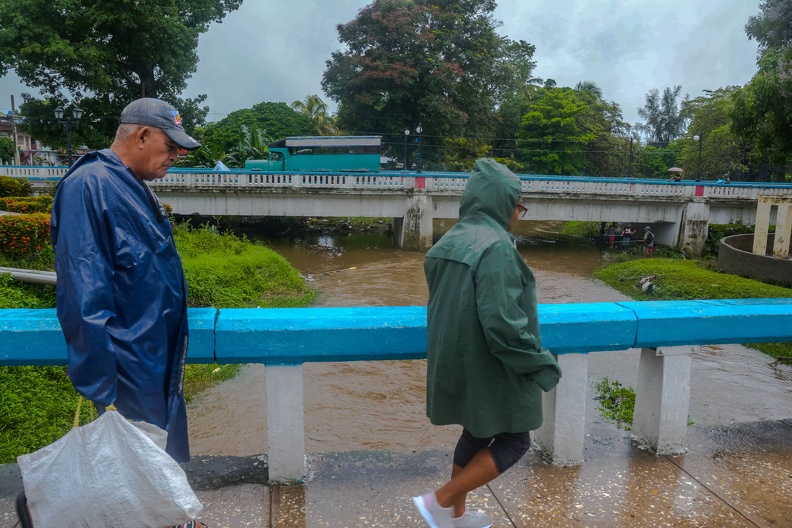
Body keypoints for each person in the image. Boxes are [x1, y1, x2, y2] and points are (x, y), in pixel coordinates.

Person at [50, 98, 207, 528]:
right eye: (170, 144)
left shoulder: (127, 183)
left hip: (154, 357)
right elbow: (84, 292)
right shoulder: (91, 185)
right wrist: (103, 385)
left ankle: (174, 520)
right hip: (126, 365)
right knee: (134, 464)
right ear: (141, 135)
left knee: (153, 458)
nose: (177, 155)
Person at [413, 158, 562, 528]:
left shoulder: (449, 240)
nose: (518, 213)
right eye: (518, 205)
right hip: (491, 363)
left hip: (455, 357)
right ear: (502, 202)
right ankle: (438, 501)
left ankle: (455, 517)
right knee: (515, 441)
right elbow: (503, 324)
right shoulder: (496, 247)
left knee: (476, 432)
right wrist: (540, 364)